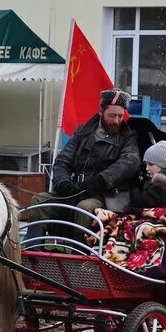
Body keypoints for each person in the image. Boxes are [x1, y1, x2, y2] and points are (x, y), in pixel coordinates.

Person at [27, 88, 141, 242]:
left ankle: (79, 257)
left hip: (105, 196)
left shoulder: (128, 137)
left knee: (84, 208)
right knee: (39, 200)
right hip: (76, 191)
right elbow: (62, 161)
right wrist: (62, 182)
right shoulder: (83, 132)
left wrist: (102, 180)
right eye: (112, 115)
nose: (116, 120)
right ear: (101, 112)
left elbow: (129, 162)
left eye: (120, 116)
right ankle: (34, 253)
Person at [95, 140, 166, 223]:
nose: (147, 168)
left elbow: (139, 202)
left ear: (162, 164)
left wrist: (135, 184)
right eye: (146, 164)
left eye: (150, 164)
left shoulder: (162, 184)